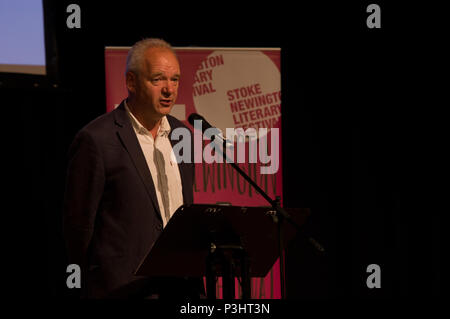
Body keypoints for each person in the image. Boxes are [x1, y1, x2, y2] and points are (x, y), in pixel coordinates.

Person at [63, 38, 201, 298]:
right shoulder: (97, 139)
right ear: (131, 82)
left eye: (175, 79)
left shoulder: (183, 134)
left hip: (181, 289)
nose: (169, 89)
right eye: (158, 79)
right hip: (124, 290)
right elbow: (78, 230)